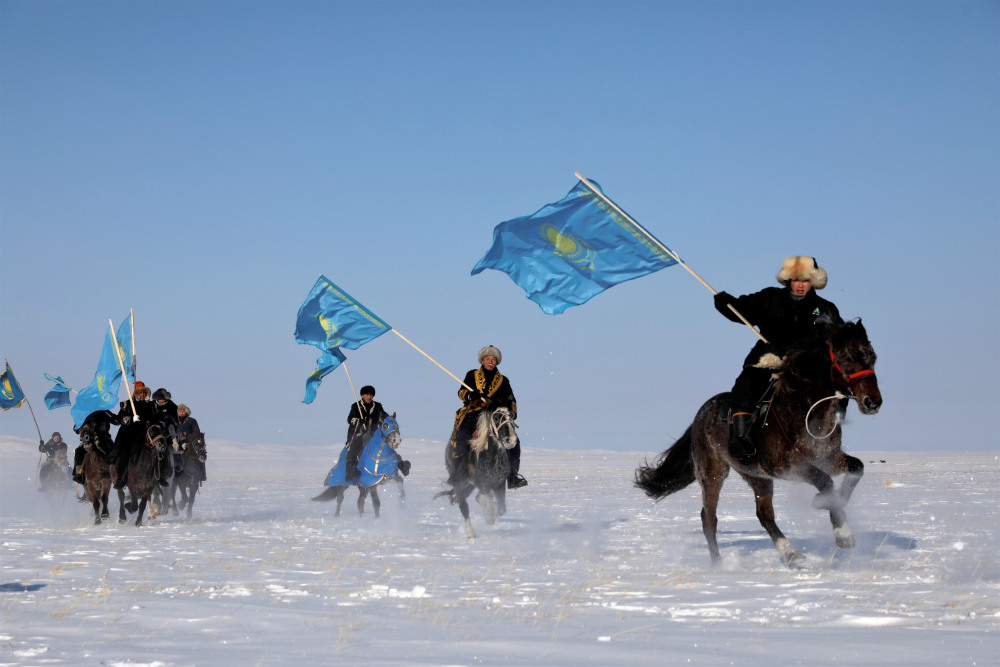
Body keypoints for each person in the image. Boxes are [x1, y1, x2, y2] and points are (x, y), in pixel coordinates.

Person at [713, 256, 843, 463]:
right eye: (795, 280)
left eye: (805, 280)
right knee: (744, 387)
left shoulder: (826, 309)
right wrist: (724, 302)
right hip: (768, 360)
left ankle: (827, 438)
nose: (800, 285)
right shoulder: (769, 298)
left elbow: (838, 339)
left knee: (835, 390)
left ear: (813, 281)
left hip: (807, 368)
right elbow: (740, 310)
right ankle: (740, 439)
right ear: (788, 281)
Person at [447, 345, 526, 489]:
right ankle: (460, 471)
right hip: (475, 412)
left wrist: (511, 412)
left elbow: (512, 401)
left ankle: (513, 476)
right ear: (482, 361)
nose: (491, 361)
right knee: (463, 434)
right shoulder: (472, 375)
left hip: (496, 415)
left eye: (494, 359)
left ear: (497, 362)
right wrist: (472, 395)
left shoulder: (503, 380)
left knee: (514, 441)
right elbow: (461, 393)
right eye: (488, 358)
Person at [344, 386, 410, 481]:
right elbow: (350, 419)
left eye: (371, 395)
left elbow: (385, 417)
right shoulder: (356, 406)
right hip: (358, 434)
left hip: (373, 434)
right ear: (362, 396)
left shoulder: (377, 406)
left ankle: (400, 464)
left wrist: (389, 419)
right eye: (367, 395)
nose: (369, 397)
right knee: (354, 446)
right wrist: (359, 421)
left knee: (387, 446)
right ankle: (349, 471)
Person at [112, 384, 156, 489]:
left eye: (144, 393)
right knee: (125, 455)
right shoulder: (128, 404)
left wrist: (146, 421)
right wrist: (127, 419)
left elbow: (154, 418)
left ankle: (157, 476)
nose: (142, 395)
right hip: (128, 436)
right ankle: (121, 478)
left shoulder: (150, 405)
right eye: (141, 393)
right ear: (136, 394)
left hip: (144, 435)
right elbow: (118, 419)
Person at [71, 409, 121, 484]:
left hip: (104, 439)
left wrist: (123, 419)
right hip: (88, 440)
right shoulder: (84, 414)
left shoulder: (104, 412)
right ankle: (79, 474)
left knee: (115, 453)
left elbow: (116, 421)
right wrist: (78, 426)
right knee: (79, 452)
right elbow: (76, 429)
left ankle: (119, 473)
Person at [175, 403, 206, 481]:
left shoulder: (192, 421)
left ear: (186, 412)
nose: (181, 413)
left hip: (189, 445)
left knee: (200, 454)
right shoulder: (174, 421)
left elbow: (196, 432)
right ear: (177, 412)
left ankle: (202, 474)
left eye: (183, 411)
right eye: (180, 411)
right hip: (175, 444)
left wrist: (187, 441)